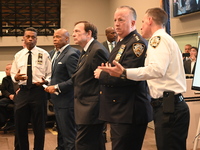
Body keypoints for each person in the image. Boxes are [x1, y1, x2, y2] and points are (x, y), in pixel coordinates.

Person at [99, 7, 190, 150]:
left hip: (169, 107)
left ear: (149, 20)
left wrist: (124, 72)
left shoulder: (157, 39)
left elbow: (156, 70)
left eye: (142, 22)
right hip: (169, 105)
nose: (140, 26)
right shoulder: (165, 39)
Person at [94, 6, 152, 150]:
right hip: (119, 110)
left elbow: (128, 76)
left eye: (121, 20)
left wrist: (102, 74)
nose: (117, 23)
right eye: (115, 20)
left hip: (129, 111)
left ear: (133, 23)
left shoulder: (136, 44)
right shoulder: (122, 42)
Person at [11, 27, 51, 150]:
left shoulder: (44, 54)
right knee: (20, 126)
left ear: (36, 39)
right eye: (28, 36)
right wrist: (16, 77)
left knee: (39, 126)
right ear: (23, 38)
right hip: (23, 92)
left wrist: (45, 82)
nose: (30, 39)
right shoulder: (18, 55)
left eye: (33, 37)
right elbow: (13, 74)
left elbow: (50, 74)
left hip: (38, 92)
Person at [72, 21, 109, 150]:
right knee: (95, 143)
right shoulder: (87, 50)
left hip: (91, 108)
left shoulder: (97, 51)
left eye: (77, 31)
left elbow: (103, 80)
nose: (73, 34)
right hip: (85, 107)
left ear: (89, 33)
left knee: (83, 144)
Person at [45, 28, 80, 150]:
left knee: (69, 135)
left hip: (67, 101)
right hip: (57, 101)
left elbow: (75, 79)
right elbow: (54, 75)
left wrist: (56, 87)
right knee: (61, 133)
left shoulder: (72, 54)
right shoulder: (53, 54)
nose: (55, 39)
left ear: (67, 38)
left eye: (59, 37)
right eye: (54, 37)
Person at [0, 64, 18, 130]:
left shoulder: (18, 79)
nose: (5, 71)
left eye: (7, 69)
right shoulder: (5, 79)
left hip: (18, 98)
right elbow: (3, 90)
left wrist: (15, 95)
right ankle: (5, 121)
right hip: (9, 98)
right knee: (1, 103)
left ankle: (11, 121)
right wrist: (9, 95)